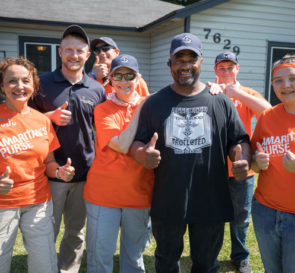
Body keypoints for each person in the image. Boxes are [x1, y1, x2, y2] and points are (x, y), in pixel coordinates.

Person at [129, 33, 251, 273]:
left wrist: (241, 157)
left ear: (201, 62)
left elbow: (238, 139)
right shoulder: (154, 103)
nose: (185, 65)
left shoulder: (220, 102)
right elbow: (138, 142)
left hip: (210, 199)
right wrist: (143, 154)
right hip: (168, 198)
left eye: (191, 59)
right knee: (165, 261)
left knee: (206, 264)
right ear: (170, 64)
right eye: (179, 60)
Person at [29, 25, 106, 273]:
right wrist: (47, 117)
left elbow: (102, 130)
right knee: (46, 230)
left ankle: (67, 270)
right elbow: (23, 118)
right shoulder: (42, 83)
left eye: (80, 50)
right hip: (49, 173)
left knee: (76, 231)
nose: (74, 54)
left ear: (87, 55)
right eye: (69, 49)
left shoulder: (97, 89)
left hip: (85, 174)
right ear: (60, 52)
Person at [0, 57, 75, 273]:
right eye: (12, 81)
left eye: (26, 80)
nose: (20, 86)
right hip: (3, 205)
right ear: (2, 86)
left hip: (38, 203)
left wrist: (60, 171)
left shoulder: (42, 120)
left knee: (45, 264)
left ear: (33, 85)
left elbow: (49, 162)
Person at [83, 54, 153, 273]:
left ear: (137, 78)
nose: (124, 81)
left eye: (129, 75)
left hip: (139, 194)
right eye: (118, 75)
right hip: (104, 196)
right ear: (110, 79)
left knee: (134, 257)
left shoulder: (151, 106)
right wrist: (141, 107)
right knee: (100, 255)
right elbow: (121, 145)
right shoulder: (103, 109)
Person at [251, 54, 295, 273]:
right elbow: (254, 160)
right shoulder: (267, 117)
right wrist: (256, 161)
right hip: (266, 213)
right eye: (278, 80)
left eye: (293, 78)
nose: (285, 85)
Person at [207, 51, 271, 273]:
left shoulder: (247, 93)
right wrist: (215, 94)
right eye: (221, 68)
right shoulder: (208, 91)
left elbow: (268, 112)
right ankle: (209, 257)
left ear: (237, 69)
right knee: (212, 216)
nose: (226, 72)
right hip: (212, 167)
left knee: (241, 217)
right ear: (215, 70)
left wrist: (237, 93)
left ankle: (240, 256)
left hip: (242, 169)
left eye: (230, 67)